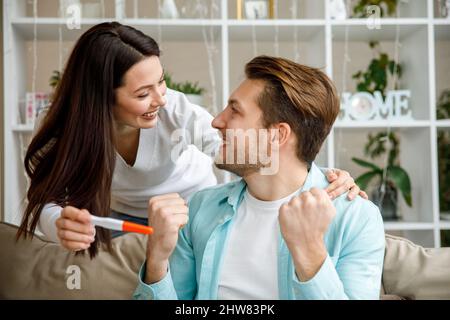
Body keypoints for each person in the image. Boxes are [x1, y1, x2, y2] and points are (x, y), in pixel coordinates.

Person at [17, 22, 365, 258]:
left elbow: (246, 148)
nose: (161, 99)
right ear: (99, 98)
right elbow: (48, 201)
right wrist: (58, 224)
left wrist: (318, 178)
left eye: (161, 82)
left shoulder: (175, 112)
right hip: (118, 219)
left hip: (189, 208)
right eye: (142, 93)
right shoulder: (60, 134)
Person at [133, 56, 385, 300]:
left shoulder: (356, 218)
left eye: (235, 111)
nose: (217, 121)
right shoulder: (201, 208)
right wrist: (156, 260)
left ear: (277, 135)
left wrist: (310, 252)